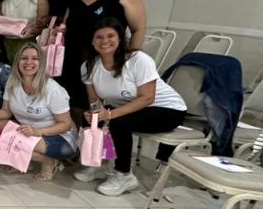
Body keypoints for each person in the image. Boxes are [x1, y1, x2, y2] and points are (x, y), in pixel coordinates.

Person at [77, 18, 187, 195]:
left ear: (120, 38)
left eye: (110, 36)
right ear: (92, 41)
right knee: (90, 119)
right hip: (129, 107)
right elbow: (94, 99)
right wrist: (95, 112)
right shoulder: (88, 66)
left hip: (167, 109)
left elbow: (147, 98)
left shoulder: (138, 60)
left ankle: (124, 175)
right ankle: (98, 164)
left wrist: (111, 115)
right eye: (99, 37)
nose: (105, 41)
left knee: (119, 123)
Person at [64, 0, 148, 111]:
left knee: (102, 109)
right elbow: (65, 28)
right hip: (73, 62)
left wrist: (129, 62)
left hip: (108, 62)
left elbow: (138, 29)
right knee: (73, 105)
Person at [0, 43, 77, 180]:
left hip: (60, 138)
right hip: (28, 132)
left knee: (18, 142)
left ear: (42, 62)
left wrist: (38, 131)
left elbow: (65, 124)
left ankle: (49, 161)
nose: (29, 62)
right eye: (24, 58)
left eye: (35, 58)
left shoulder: (53, 89)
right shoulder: (12, 81)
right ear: (17, 61)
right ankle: (25, 161)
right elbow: (6, 111)